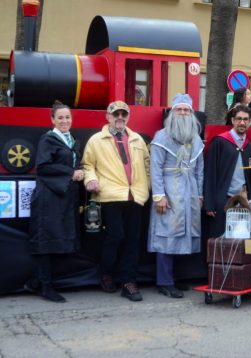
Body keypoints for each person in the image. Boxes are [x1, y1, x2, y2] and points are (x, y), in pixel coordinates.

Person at [82, 100, 150, 302]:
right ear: (108, 116)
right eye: (116, 114)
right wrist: (91, 179)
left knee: (133, 240)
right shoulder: (96, 140)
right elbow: (87, 165)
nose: (120, 118)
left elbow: (147, 165)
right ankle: (106, 272)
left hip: (135, 196)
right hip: (110, 195)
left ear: (128, 117)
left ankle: (129, 282)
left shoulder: (137, 139)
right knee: (115, 236)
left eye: (124, 114)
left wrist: (147, 188)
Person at [148, 94, 204, 299]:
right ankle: (164, 281)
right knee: (167, 235)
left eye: (186, 110)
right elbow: (155, 169)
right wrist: (159, 196)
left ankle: (176, 277)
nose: (182, 113)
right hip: (170, 190)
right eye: (179, 109)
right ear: (172, 112)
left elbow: (200, 170)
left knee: (185, 234)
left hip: (189, 191)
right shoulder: (161, 136)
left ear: (191, 113)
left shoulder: (196, 138)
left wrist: (199, 195)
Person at [27, 101, 84, 303]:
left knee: (60, 239)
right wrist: (71, 173)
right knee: (46, 241)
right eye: (60, 117)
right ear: (52, 120)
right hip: (48, 197)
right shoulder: (48, 140)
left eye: (67, 117)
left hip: (64, 196)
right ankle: (45, 287)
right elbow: (42, 167)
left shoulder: (71, 140)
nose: (64, 121)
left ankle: (35, 282)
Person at [204, 104, 251, 238]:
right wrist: (209, 203)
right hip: (221, 200)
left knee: (239, 242)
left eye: (246, 119)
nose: (242, 122)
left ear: (250, 122)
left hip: (242, 202)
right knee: (218, 242)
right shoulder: (220, 142)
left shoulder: (250, 148)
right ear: (232, 120)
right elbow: (210, 173)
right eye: (239, 119)